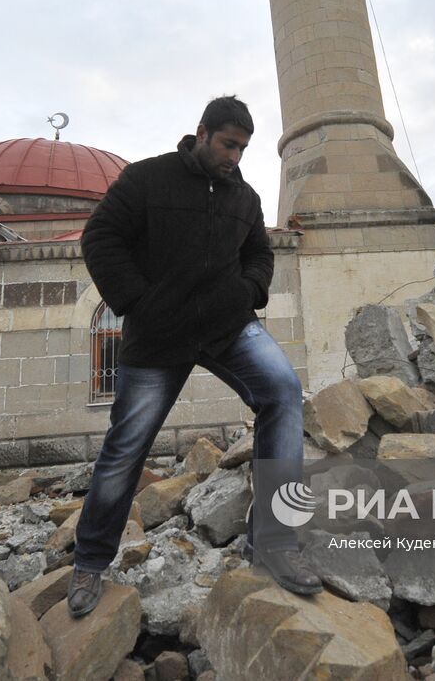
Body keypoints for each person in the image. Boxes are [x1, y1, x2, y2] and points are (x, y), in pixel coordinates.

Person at [67, 95, 321, 617]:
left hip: (228, 327)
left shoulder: (245, 198)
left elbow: (260, 254)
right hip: (158, 336)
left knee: (283, 392)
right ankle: (90, 562)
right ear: (202, 132)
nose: (235, 156)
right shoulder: (146, 180)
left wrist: (247, 291)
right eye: (228, 144)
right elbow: (101, 237)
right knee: (126, 446)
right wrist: (139, 302)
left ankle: (274, 543)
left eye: (243, 148)